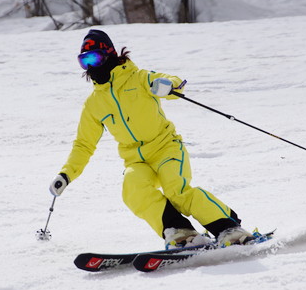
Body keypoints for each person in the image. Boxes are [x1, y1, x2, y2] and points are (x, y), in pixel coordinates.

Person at [49, 29, 253, 249]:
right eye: (84, 61)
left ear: (109, 54)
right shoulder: (94, 103)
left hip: (166, 148)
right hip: (136, 161)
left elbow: (174, 82)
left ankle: (229, 228)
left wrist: (169, 86)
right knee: (133, 190)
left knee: (177, 190)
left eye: (94, 57)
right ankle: (181, 232)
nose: (91, 66)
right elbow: (84, 144)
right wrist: (66, 174)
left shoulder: (139, 78)